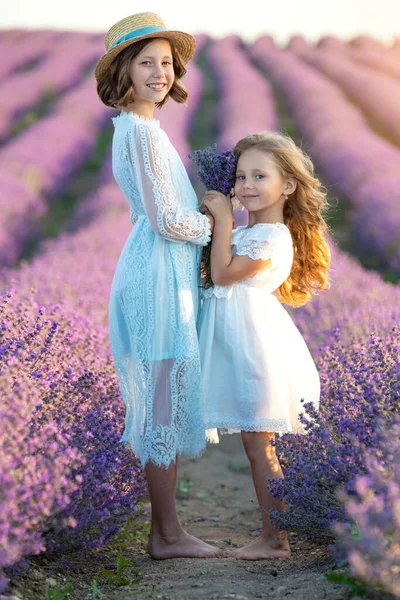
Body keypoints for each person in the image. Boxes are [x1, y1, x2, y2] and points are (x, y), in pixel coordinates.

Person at [95, 12, 219, 559]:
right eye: (147, 62)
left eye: (166, 63)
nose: (160, 73)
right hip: (157, 273)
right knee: (160, 405)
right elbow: (167, 219)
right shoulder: (142, 132)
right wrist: (217, 227)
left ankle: (167, 531)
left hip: (158, 269)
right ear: (124, 70)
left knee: (159, 399)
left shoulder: (140, 128)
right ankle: (167, 535)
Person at [198, 131, 331, 560]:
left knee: (260, 445)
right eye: (240, 177)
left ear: (288, 185)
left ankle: (276, 539)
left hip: (254, 350)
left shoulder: (270, 237)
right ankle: (273, 533)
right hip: (238, 344)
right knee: (256, 445)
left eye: (260, 175)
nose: (246, 185)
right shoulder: (253, 232)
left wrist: (223, 221)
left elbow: (222, 274)